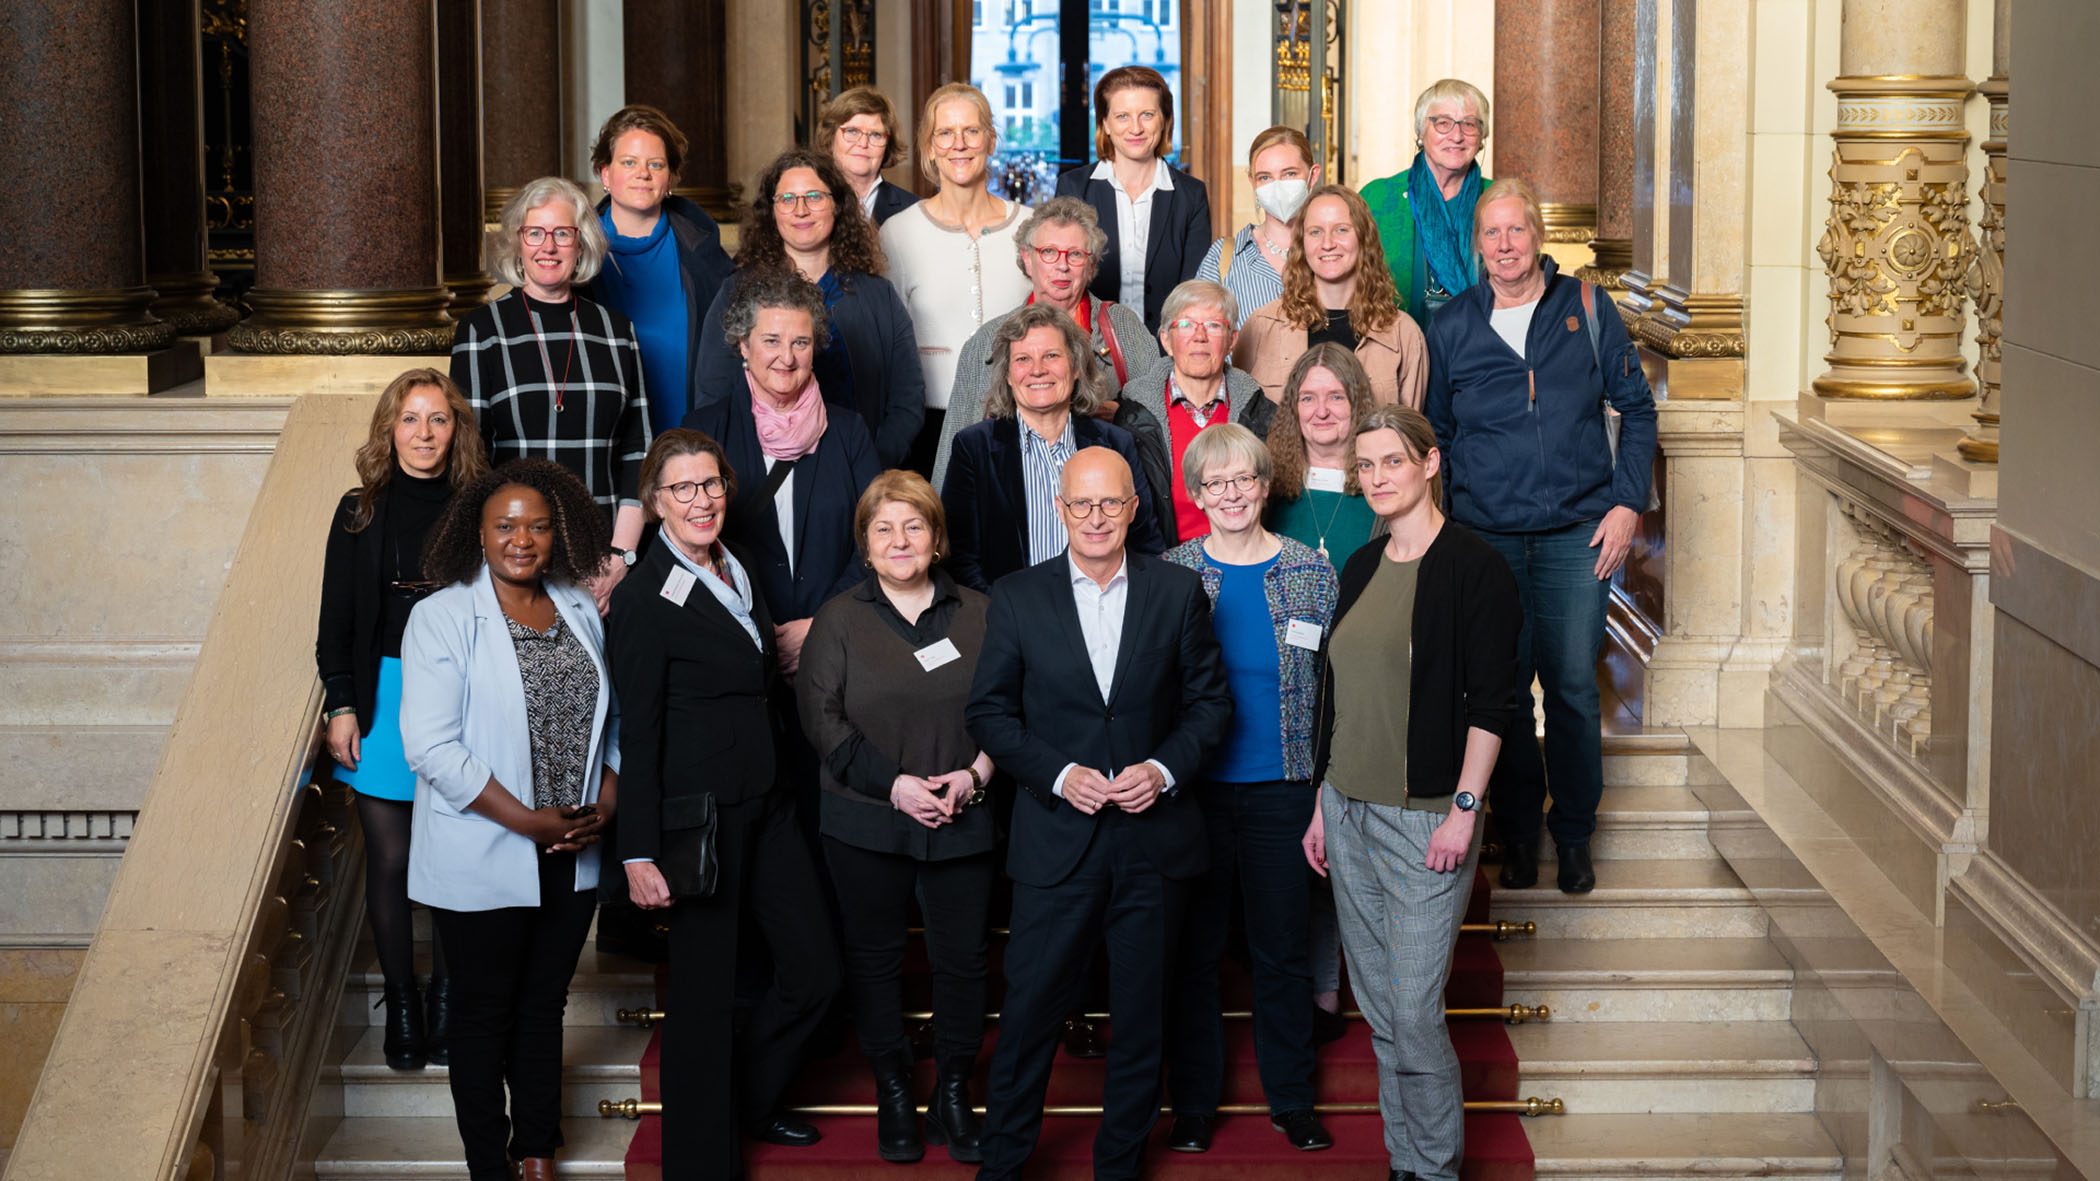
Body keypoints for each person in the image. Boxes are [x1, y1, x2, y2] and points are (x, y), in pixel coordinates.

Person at [966, 445, 1232, 1181]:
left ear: (1132, 508)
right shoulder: (1018, 596)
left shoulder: (1178, 592)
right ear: (1059, 510)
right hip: (1058, 845)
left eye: (1109, 503)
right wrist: (1057, 773)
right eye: (1080, 504)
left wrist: (1161, 768)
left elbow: (1212, 706)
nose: (1095, 517)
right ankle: (1005, 1162)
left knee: (1143, 1021)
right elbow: (989, 711)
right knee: (1028, 1020)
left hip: (1155, 847)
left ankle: (1118, 1167)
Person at [608, 429, 843, 1176]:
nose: (701, 500)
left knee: (815, 969)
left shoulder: (736, 563)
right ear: (655, 503)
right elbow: (637, 730)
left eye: (710, 484)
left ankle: (749, 1094)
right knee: (703, 1001)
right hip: (695, 821)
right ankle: (700, 1163)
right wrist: (638, 848)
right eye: (683, 489)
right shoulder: (645, 597)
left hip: (768, 799)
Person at [1301, 405, 1522, 1181]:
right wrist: (1321, 805)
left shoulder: (1474, 566)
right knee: (1382, 1009)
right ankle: (1405, 1160)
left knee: (1415, 1008)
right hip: (1347, 807)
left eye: (1392, 461)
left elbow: (1496, 702)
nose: (1377, 478)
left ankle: (1433, 1167)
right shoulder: (1361, 564)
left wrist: (1465, 807)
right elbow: (1335, 693)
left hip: (1427, 815)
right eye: (1366, 467)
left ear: (1429, 464)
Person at [1424, 178, 1657, 896]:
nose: (1503, 245)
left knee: (1572, 691)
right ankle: (1518, 833)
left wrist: (1626, 507)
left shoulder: (1585, 308)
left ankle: (1575, 834)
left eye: (1516, 231)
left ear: (1537, 237)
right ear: (1477, 247)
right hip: (1486, 538)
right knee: (1501, 696)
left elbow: (1637, 411)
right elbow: (1436, 436)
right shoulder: (1453, 326)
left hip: (1575, 537)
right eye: (1490, 234)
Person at [399, 458, 621, 1181]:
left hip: (574, 845)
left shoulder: (579, 606)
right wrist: (529, 822)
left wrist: (608, 800)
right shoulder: (440, 615)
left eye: (537, 525)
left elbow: (610, 721)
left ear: (559, 533)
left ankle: (535, 1149)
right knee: (483, 1012)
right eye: (505, 525)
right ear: (479, 532)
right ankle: (487, 1165)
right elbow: (431, 746)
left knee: (543, 1004)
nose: (522, 538)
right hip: (489, 847)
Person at [796, 472, 998, 1164]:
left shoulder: (980, 612)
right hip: (865, 821)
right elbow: (821, 721)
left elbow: (1009, 712)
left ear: (937, 538)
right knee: (876, 961)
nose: (900, 540)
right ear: (865, 543)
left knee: (963, 963)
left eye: (913, 525)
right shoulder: (838, 619)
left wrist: (974, 777)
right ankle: (892, 1088)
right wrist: (898, 786)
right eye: (884, 528)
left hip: (963, 813)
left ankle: (951, 1089)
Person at [1160, 423, 1336, 1155]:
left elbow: (1337, 691)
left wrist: (1326, 792)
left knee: (1281, 950)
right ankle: (1194, 1105)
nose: (1231, 493)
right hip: (1193, 793)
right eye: (1215, 482)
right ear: (1198, 495)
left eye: (1244, 479)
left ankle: (1292, 1098)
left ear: (1266, 485)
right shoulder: (1169, 574)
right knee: (1193, 953)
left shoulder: (1310, 571)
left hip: (1283, 789)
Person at [316, 368, 488, 1072]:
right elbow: (334, 623)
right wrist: (342, 704)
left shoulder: (483, 507)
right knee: (389, 859)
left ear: (457, 429)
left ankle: (448, 998)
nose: (424, 433)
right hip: (383, 697)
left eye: (438, 419)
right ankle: (405, 1003)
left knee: (452, 854)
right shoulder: (358, 511)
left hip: (460, 698)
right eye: (411, 419)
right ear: (391, 428)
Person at [450, 176, 651, 611]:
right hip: (513, 558)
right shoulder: (482, 331)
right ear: (517, 244)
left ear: (581, 245)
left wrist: (620, 558)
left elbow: (638, 451)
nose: (549, 246)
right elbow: (469, 460)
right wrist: (498, 557)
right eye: (535, 233)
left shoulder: (617, 332)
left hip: (601, 560)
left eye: (563, 233)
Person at [684, 271, 880, 678]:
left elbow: (875, 540)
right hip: (738, 651)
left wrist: (821, 627)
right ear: (743, 344)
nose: (786, 358)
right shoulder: (704, 431)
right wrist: (758, 631)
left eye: (801, 343)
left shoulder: (849, 432)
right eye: (771, 341)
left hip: (837, 648)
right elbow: (687, 552)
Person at [691, 148, 924, 468]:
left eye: (814, 197)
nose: (801, 210)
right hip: (760, 472)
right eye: (787, 199)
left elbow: (906, 398)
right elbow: (712, 394)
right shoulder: (737, 290)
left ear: (837, 205)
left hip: (857, 469)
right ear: (771, 211)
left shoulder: (877, 295)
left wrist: (873, 466)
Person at [930, 197, 1161, 489]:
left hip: (1105, 500)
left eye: (1076, 254)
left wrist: (1121, 414)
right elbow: (952, 455)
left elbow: (1160, 424)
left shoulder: (1123, 329)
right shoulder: (987, 342)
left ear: (1090, 266)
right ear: (1027, 259)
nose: (1062, 266)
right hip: (1011, 501)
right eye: (1049, 252)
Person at [940, 303, 1163, 593]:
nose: (1037, 370)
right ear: (1008, 375)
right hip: (1011, 620)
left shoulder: (1115, 444)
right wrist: (1005, 616)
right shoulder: (973, 448)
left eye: (1051, 356)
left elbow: (1144, 544)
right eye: (1022, 359)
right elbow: (959, 557)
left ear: (1075, 368)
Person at [879, 83, 1034, 475]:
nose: (959, 144)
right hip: (926, 427)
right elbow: (887, 345)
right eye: (944, 133)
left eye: (972, 131)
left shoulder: (1032, 226)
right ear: (929, 147)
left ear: (991, 140)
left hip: (1019, 419)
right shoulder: (898, 233)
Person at [578, 104, 736, 440]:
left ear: (671, 178)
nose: (643, 173)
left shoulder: (704, 252)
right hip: (608, 442)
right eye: (629, 162)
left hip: (691, 441)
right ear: (605, 173)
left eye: (656, 164)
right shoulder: (576, 257)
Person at [1235, 185, 1429, 411]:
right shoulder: (1262, 326)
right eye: (1315, 232)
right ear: (1301, 242)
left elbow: (1411, 436)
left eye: (1341, 230)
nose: (1327, 244)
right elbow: (1241, 428)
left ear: (1364, 238)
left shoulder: (1403, 334)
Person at [1053, 65, 1213, 333]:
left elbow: (1193, 290)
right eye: (1122, 116)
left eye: (1147, 115)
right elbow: (1061, 279)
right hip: (1088, 348)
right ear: (1105, 123)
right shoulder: (1073, 188)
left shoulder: (1191, 195)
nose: (1136, 128)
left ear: (1164, 120)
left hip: (1166, 349)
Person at [1116, 279, 1268, 548]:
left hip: (1243, 559)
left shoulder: (1261, 413)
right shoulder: (1131, 416)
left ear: (1232, 339)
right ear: (1166, 339)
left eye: (1213, 325)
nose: (1200, 336)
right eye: (1185, 325)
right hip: (1162, 569)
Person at [1359, 79, 1493, 331]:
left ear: (1482, 135)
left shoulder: (1501, 199)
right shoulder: (1377, 198)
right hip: (1393, 349)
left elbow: (1525, 283)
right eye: (1443, 123)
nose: (1457, 136)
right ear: (1421, 131)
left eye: (1469, 124)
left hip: (1481, 352)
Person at [1267, 343, 1383, 566]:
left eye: (1336, 397)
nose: (1321, 412)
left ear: (1357, 404)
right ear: (1294, 408)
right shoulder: (1266, 487)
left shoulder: (1382, 485)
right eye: (1308, 398)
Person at [1197, 126, 1320, 330]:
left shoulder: (1333, 252)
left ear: (1313, 176)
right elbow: (1200, 334)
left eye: (1289, 174)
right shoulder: (1223, 257)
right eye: (1265, 177)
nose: (1277, 186)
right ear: (1252, 182)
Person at [820, 86, 920, 226]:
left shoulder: (913, 211)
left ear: (887, 145)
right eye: (852, 131)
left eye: (875, 135)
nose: (863, 143)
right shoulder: (806, 204)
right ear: (830, 139)